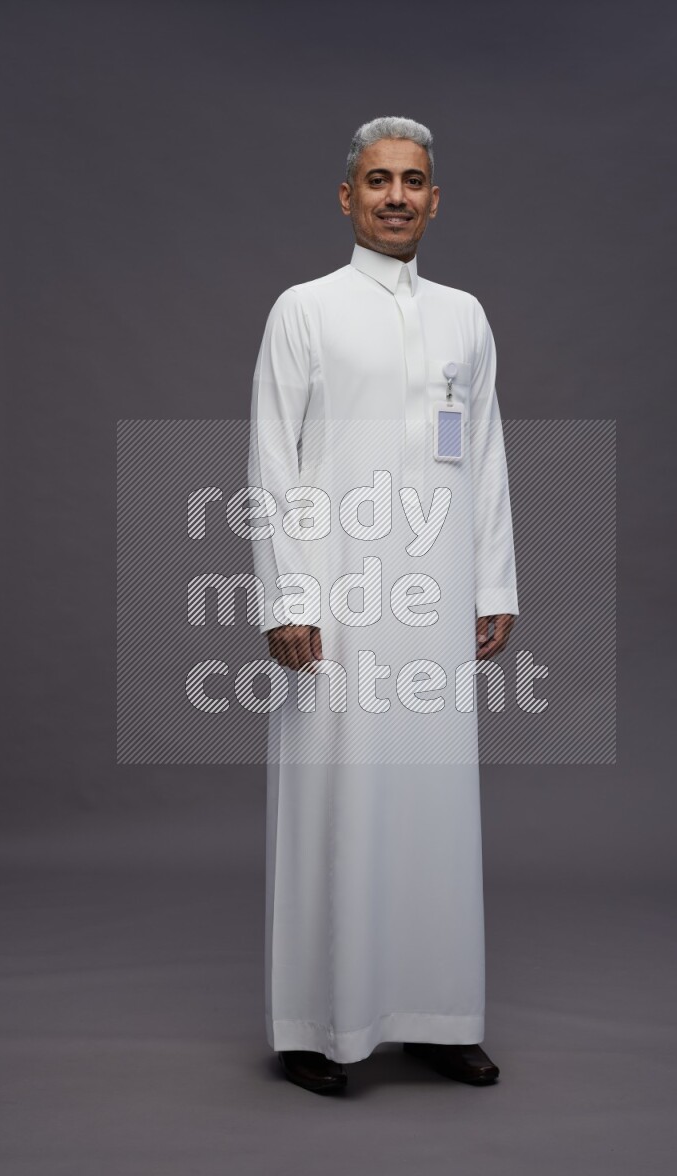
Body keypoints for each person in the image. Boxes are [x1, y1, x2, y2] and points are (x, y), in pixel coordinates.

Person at [247, 115, 519, 1093]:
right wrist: (285, 593)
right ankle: (315, 1027)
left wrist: (492, 583)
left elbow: (480, 455)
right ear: (346, 198)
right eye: (377, 181)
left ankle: (439, 1017)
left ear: (434, 198)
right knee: (336, 800)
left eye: (412, 181)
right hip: (337, 602)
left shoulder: (463, 317)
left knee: (435, 804)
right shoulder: (304, 311)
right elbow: (273, 461)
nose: (395, 196)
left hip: (437, 597)